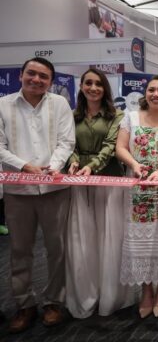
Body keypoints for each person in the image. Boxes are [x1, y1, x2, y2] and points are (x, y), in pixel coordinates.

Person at [0, 57, 75, 333]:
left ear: (51, 81)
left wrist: (52, 168)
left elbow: (67, 141)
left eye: (44, 76)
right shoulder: (3, 105)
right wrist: (25, 166)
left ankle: (54, 302)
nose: (37, 80)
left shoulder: (60, 104)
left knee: (57, 249)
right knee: (20, 250)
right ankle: (24, 304)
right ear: (21, 75)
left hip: (54, 189)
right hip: (17, 190)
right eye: (31, 73)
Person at [65, 69, 134, 318]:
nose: (93, 88)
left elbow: (111, 147)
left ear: (105, 88)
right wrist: (73, 161)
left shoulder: (117, 115)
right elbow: (68, 143)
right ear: (81, 86)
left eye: (98, 84)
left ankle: (111, 295)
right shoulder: (72, 116)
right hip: (79, 182)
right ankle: (86, 293)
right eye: (88, 83)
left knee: (110, 237)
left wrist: (91, 166)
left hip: (109, 180)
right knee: (83, 237)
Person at [116, 75, 158, 319]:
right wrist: (135, 164)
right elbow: (120, 147)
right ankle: (146, 290)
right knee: (139, 240)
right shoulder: (130, 117)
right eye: (151, 90)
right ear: (145, 93)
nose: (156, 94)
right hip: (137, 188)